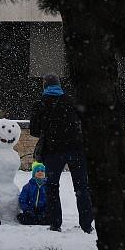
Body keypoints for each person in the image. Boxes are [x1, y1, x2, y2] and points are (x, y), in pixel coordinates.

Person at [30, 74, 93, 233]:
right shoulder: (72, 101)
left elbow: (34, 131)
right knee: (82, 188)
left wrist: (50, 130)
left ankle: (55, 223)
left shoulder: (40, 104)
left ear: (44, 86)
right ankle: (86, 225)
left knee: (52, 187)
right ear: (59, 85)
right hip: (77, 150)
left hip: (53, 152)